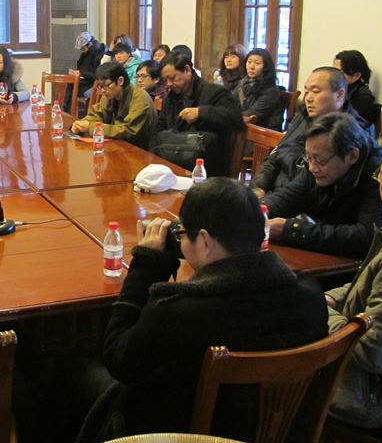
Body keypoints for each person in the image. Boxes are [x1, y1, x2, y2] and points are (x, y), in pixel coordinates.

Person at [68, 178, 328, 442]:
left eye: (182, 234)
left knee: (70, 367)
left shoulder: (178, 313)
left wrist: (146, 268)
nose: (181, 241)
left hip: (187, 434)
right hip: (275, 432)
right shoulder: (310, 297)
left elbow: (119, 361)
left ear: (204, 240)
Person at [325, 139, 382, 429]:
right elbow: (370, 283)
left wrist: (321, 311)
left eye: (381, 176)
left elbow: (374, 351)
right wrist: (332, 297)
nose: (377, 179)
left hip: (356, 396)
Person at [262, 113, 382, 259]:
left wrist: (293, 230)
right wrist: (259, 210)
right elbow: (291, 195)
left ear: (352, 156)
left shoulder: (380, 176)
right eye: (308, 157)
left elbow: (367, 237)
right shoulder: (317, 161)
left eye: (320, 161)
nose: (312, 168)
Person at [250, 67, 375, 198]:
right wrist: (259, 187)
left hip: (298, 201)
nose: (308, 98)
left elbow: (313, 186)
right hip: (275, 194)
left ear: (339, 95)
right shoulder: (302, 118)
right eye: (306, 92)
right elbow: (275, 157)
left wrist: (270, 201)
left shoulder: (353, 133)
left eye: (315, 92)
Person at [152, 52, 244, 176]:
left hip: (207, 169)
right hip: (173, 163)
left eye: (173, 78)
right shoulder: (170, 98)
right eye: (165, 80)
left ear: (187, 70)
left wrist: (202, 112)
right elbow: (158, 129)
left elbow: (236, 119)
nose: (169, 84)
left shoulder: (215, 92)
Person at [69, 62, 157, 148]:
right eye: (100, 85)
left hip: (138, 148)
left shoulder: (140, 99)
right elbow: (97, 115)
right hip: (117, 144)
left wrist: (91, 127)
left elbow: (128, 130)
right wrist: (81, 125)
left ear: (120, 81)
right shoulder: (110, 95)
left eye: (105, 85)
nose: (102, 90)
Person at [232, 48, 283, 130]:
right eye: (249, 62)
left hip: (265, 131)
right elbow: (230, 100)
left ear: (265, 67)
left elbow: (252, 114)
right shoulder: (244, 82)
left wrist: (228, 116)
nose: (251, 67)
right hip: (246, 126)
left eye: (257, 63)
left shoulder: (271, 90)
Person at [334, 50, 375, 124]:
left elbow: (348, 125)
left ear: (356, 76)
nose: (334, 75)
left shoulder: (362, 98)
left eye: (341, 72)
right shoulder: (337, 89)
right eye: (334, 70)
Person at [67, 32, 106, 112]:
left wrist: (81, 73)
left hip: (93, 83)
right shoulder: (87, 53)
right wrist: (78, 71)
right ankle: (66, 109)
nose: (82, 51)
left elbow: (97, 75)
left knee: (70, 86)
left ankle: (66, 110)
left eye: (83, 49)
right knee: (68, 83)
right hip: (87, 80)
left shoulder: (98, 54)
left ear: (90, 44)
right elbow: (81, 66)